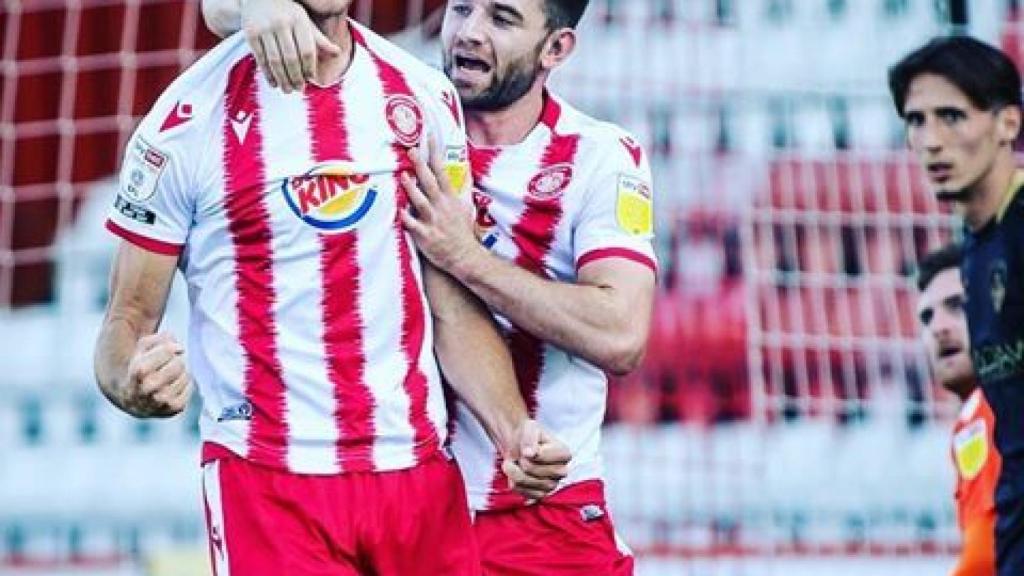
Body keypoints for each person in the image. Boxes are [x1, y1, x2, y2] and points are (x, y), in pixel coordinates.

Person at [93, 2, 570, 574]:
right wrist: (134, 383)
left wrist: (513, 430)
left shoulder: (422, 95)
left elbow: (451, 306)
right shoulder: (184, 121)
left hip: (416, 477)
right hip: (268, 484)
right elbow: (125, 324)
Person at [204, 0, 657, 573]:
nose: (469, 33)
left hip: (540, 510)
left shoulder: (599, 158)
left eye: (501, 19)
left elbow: (620, 336)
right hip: (403, 504)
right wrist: (254, 4)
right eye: (461, 8)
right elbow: (271, 17)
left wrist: (466, 257)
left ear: (556, 49)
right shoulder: (389, 110)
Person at [890, 35, 1024, 574]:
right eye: (916, 121)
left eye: (952, 116)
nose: (932, 141)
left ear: (1007, 123)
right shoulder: (976, 252)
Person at [917, 244, 1000, 576]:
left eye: (957, 305)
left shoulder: (989, 409)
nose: (938, 327)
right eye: (927, 317)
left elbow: (984, 557)